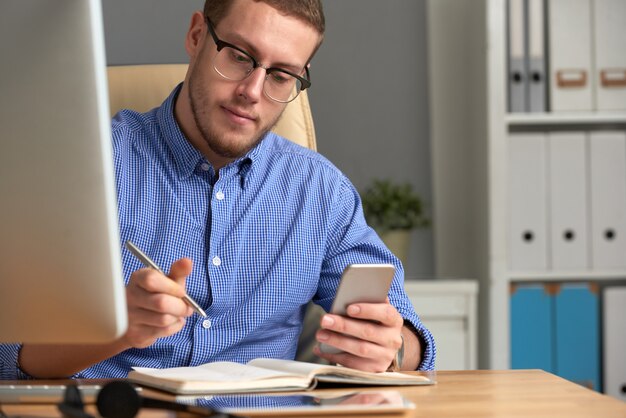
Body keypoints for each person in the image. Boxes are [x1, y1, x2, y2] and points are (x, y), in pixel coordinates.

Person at [0, 0, 435, 379]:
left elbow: (413, 340)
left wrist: (391, 347)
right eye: (240, 56)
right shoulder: (81, 165)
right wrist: (117, 329)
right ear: (195, 36)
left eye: (281, 76)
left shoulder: (320, 191)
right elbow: (10, 353)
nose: (252, 91)